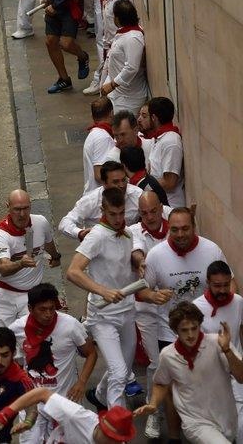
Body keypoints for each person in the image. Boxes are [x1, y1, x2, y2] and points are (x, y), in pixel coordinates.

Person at [65, 187, 145, 408]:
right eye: (113, 214)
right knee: (120, 374)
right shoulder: (96, 236)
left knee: (124, 369)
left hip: (127, 312)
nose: (118, 219)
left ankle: (100, 396)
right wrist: (102, 290)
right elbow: (73, 271)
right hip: (103, 316)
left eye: (121, 213)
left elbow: (124, 261)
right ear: (103, 210)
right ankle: (116, 431)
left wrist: (138, 265)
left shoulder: (128, 233)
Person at [135, 302, 243, 443]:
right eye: (184, 330)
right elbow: (161, 383)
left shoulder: (218, 343)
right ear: (176, 331)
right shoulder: (168, 355)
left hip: (226, 417)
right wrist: (154, 404)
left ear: (200, 325)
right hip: (195, 422)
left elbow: (241, 377)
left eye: (194, 328)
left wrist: (227, 351)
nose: (190, 335)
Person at [8, 283, 97, 442]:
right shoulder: (16, 330)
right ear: (30, 308)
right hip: (32, 403)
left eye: (52, 308)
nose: (48, 314)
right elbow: (15, 363)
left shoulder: (70, 326)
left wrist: (81, 382)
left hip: (65, 402)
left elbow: (91, 353)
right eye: (42, 309)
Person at [138, 208, 229, 346]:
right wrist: (153, 296)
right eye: (174, 230)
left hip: (207, 331)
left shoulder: (212, 250)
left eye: (185, 229)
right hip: (169, 333)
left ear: (194, 227)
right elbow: (142, 290)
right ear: (169, 228)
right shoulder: (155, 255)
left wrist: (224, 307)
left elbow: (230, 283)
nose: (180, 234)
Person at [128, 190, 169, 438]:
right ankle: (155, 411)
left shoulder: (174, 222)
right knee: (156, 362)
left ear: (161, 208)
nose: (150, 217)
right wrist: (141, 262)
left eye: (153, 211)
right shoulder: (135, 231)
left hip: (173, 307)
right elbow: (136, 251)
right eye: (144, 213)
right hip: (146, 309)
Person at [0, 189, 60, 328]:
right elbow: (3, 268)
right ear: (8, 207)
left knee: (28, 342)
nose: (22, 214)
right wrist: (21, 264)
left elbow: (47, 242)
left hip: (31, 298)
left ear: (30, 206)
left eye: (25, 208)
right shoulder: (1, 234)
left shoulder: (40, 222)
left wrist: (56, 256)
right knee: (2, 341)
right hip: (5, 298)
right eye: (17, 209)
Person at [193, 261, 243, 442]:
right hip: (210, 375)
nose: (222, 290)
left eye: (226, 285)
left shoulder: (238, 302)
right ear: (208, 283)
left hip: (236, 370)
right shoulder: (196, 308)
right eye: (217, 286)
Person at [0, 386, 136, 443]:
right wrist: (4, 415)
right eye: (112, 439)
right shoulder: (76, 416)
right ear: (102, 427)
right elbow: (42, 393)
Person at [58, 160, 148, 241]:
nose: (122, 185)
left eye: (124, 180)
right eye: (116, 182)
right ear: (104, 183)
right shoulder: (90, 200)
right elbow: (65, 223)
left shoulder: (138, 195)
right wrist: (80, 233)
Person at [100, 0, 148, 115]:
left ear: (117, 19)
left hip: (128, 97)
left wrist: (112, 85)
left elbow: (132, 67)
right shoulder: (125, 33)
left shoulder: (133, 38)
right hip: (116, 92)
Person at [146, 96, 185, 208]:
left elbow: (170, 182)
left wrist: (143, 184)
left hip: (170, 206)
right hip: (159, 203)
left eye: (147, 116)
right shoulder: (160, 138)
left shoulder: (171, 141)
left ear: (153, 118)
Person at [82, 96, 115, 193]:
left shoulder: (97, 133)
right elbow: (99, 175)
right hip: (100, 197)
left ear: (93, 116)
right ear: (111, 113)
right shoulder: (102, 138)